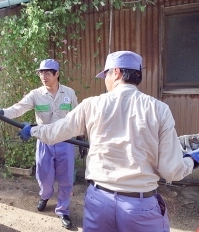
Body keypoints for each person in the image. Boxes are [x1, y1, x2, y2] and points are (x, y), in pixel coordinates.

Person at [17, 51, 199, 232]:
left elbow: (56, 131)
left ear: (117, 72)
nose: (105, 80)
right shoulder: (160, 110)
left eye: (106, 74)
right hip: (140, 206)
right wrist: (193, 159)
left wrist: (32, 130)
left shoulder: (92, 105)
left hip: (99, 202)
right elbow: (171, 170)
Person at [0, 59, 84, 229]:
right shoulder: (36, 94)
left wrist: (81, 137)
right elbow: (18, 108)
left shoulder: (69, 93)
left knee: (66, 180)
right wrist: (0, 112)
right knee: (44, 177)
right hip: (44, 143)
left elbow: (78, 116)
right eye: (41, 73)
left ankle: (63, 210)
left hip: (65, 142)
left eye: (48, 73)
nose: (44, 76)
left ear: (57, 74)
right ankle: (45, 196)